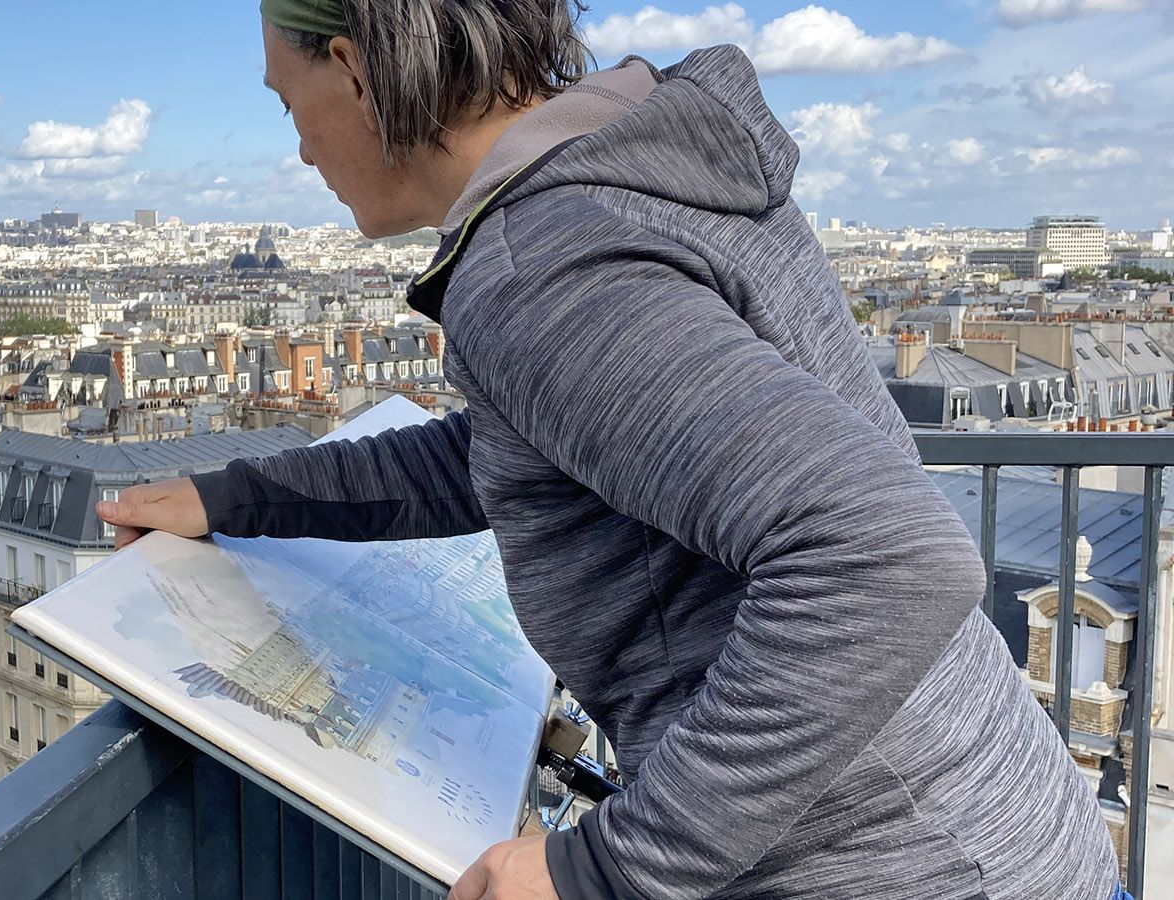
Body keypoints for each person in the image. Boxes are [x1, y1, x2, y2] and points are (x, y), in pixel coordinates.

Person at [96, 2, 1125, 898]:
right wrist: (238, 498)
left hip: (890, 864)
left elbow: (885, 558)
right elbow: (525, 451)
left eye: (288, 105)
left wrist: (608, 870)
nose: (301, 152)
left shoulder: (542, 265)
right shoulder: (638, 169)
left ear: (355, 71)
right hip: (993, 822)